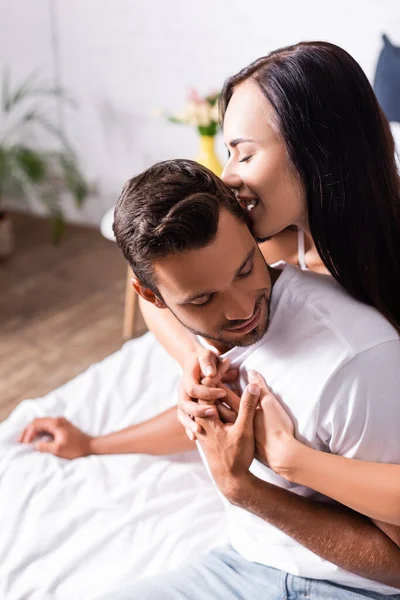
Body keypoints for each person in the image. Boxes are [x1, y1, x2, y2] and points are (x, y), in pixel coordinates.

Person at [20, 40, 400, 531]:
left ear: (316, 150)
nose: (227, 176)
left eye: (243, 154)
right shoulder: (279, 253)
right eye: (227, 153)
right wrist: (189, 362)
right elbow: (161, 294)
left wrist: (290, 460)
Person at [76, 156, 400, 600]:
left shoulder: (351, 363)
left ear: (253, 234)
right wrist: (92, 445)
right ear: (152, 296)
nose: (241, 309)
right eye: (203, 299)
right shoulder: (212, 347)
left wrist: (243, 490)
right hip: (239, 563)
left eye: (246, 269)